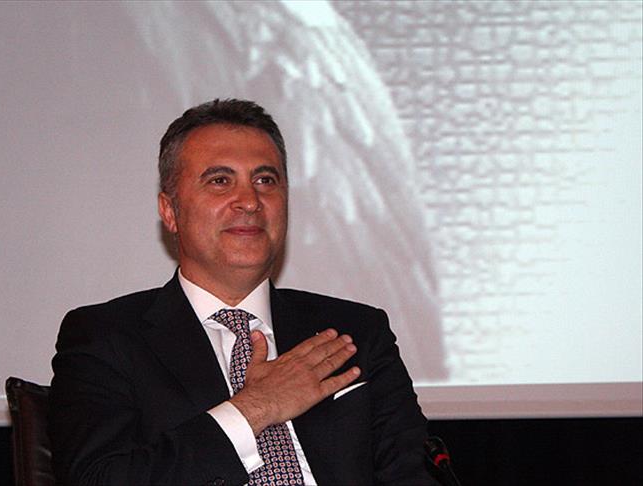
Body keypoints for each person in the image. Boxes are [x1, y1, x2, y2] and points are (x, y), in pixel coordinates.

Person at [48, 99, 436, 486]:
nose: (250, 201)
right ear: (169, 211)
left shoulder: (356, 332)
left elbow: (415, 474)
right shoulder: (107, 337)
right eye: (220, 181)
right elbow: (98, 478)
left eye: (265, 180)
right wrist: (255, 408)